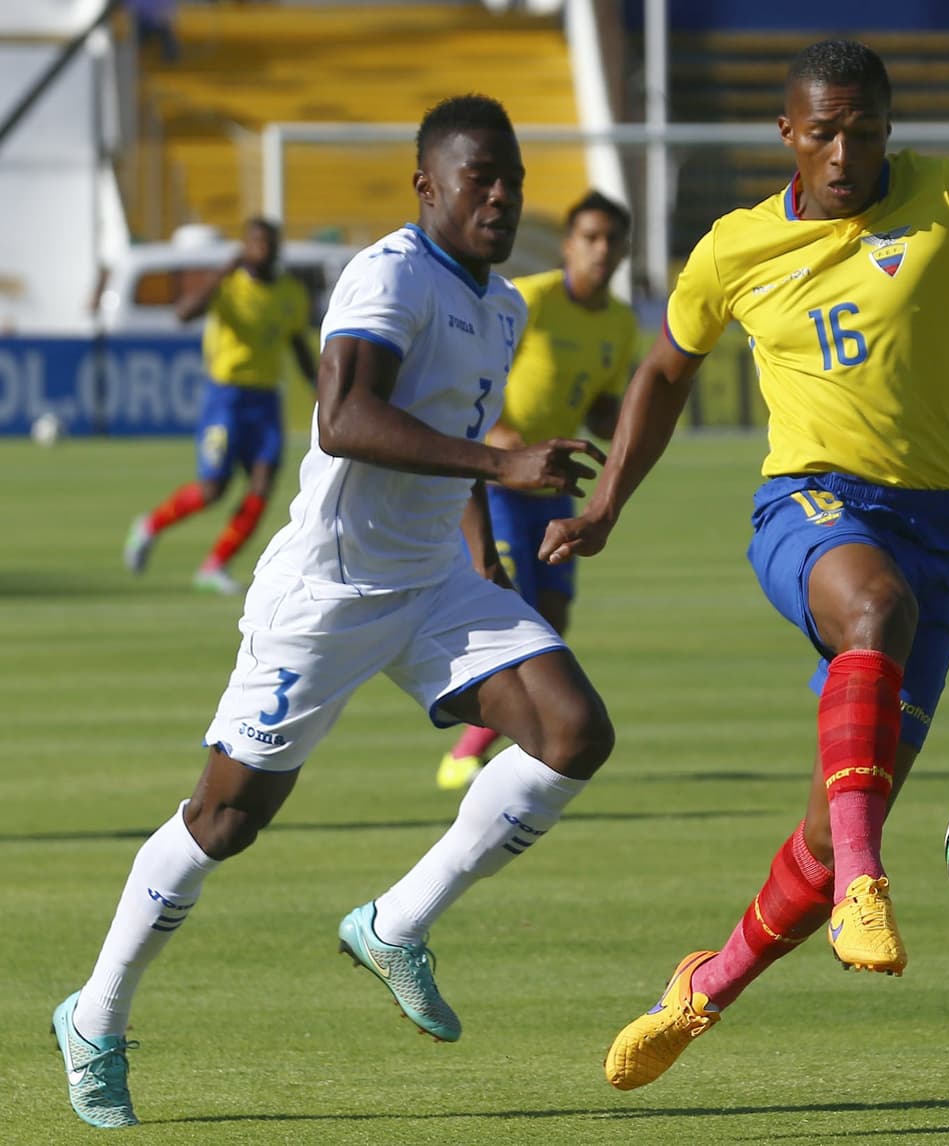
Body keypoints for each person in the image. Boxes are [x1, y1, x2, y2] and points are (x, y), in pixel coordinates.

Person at [539, 39, 949, 1091]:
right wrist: (603, 507)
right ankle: (868, 886)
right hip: (808, 506)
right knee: (870, 608)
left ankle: (700, 991)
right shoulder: (732, 249)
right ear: (786, 133)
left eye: (862, 130)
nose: (842, 151)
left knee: (833, 822)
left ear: (886, 128)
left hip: (938, 535)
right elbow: (662, 371)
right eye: (821, 131)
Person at [53, 94, 614, 1130]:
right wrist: (499, 460)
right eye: (477, 176)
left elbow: (455, 439)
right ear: (426, 186)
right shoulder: (389, 274)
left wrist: (480, 534)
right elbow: (346, 417)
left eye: (512, 179)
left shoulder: (503, 306)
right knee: (224, 820)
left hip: (434, 586)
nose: (499, 194)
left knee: (574, 731)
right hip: (328, 591)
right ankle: (95, 1018)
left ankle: (395, 922)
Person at [437, 189, 637, 790]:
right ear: (570, 244)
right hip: (499, 478)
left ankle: (473, 747)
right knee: (510, 606)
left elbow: (599, 402)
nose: (601, 251)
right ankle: (474, 748)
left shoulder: (620, 323)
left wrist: (625, 419)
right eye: (590, 238)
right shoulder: (530, 301)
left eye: (612, 241)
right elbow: (477, 380)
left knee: (551, 614)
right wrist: (501, 442)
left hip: (554, 481)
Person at [122, 217, 315, 596]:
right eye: (254, 242)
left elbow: (297, 344)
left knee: (262, 486)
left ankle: (215, 565)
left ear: (276, 248)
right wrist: (224, 270)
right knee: (214, 488)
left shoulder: (291, 292)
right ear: (243, 247)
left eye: (268, 242)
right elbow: (184, 313)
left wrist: (318, 386)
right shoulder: (227, 286)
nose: (261, 249)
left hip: (265, 399)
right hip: (225, 398)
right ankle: (149, 526)